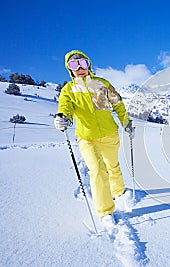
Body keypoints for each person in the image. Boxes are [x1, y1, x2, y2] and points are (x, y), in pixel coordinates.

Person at [54, 50, 134, 230]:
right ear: (69, 69)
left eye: (82, 63)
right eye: (74, 65)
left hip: (109, 134)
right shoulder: (68, 90)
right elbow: (64, 108)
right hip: (87, 137)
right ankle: (105, 211)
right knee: (97, 170)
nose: (80, 68)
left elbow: (118, 105)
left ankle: (119, 192)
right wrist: (62, 117)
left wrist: (126, 123)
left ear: (89, 64)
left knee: (112, 165)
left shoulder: (102, 84)